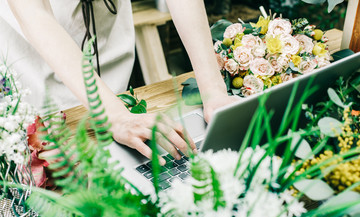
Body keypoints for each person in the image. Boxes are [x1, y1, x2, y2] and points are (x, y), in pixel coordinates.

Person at [1, 0, 239, 162]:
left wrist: (213, 91)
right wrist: (115, 115)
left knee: (124, 154)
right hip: (36, 45)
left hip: (104, 23)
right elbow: (35, 16)